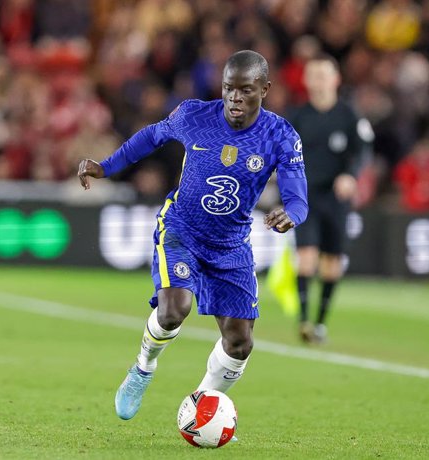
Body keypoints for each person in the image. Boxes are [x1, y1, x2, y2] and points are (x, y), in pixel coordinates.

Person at [77, 50, 308, 421]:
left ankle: (203, 402)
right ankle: (142, 368)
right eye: (229, 88)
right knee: (173, 311)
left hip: (232, 245)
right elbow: (151, 137)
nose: (235, 98)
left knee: (240, 342)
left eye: (246, 90)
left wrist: (292, 214)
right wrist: (107, 166)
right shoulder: (194, 115)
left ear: (265, 89)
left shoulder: (280, 135)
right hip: (182, 229)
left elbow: (298, 195)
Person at [287, 54, 371, 344]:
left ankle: (320, 322)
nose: (318, 81)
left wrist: (350, 175)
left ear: (336, 79)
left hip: (336, 199)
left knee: (332, 262)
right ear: (307, 81)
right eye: (314, 75)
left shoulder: (350, 116)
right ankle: (303, 321)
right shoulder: (298, 116)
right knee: (307, 258)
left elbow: (363, 152)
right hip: (305, 197)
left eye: (324, 75)